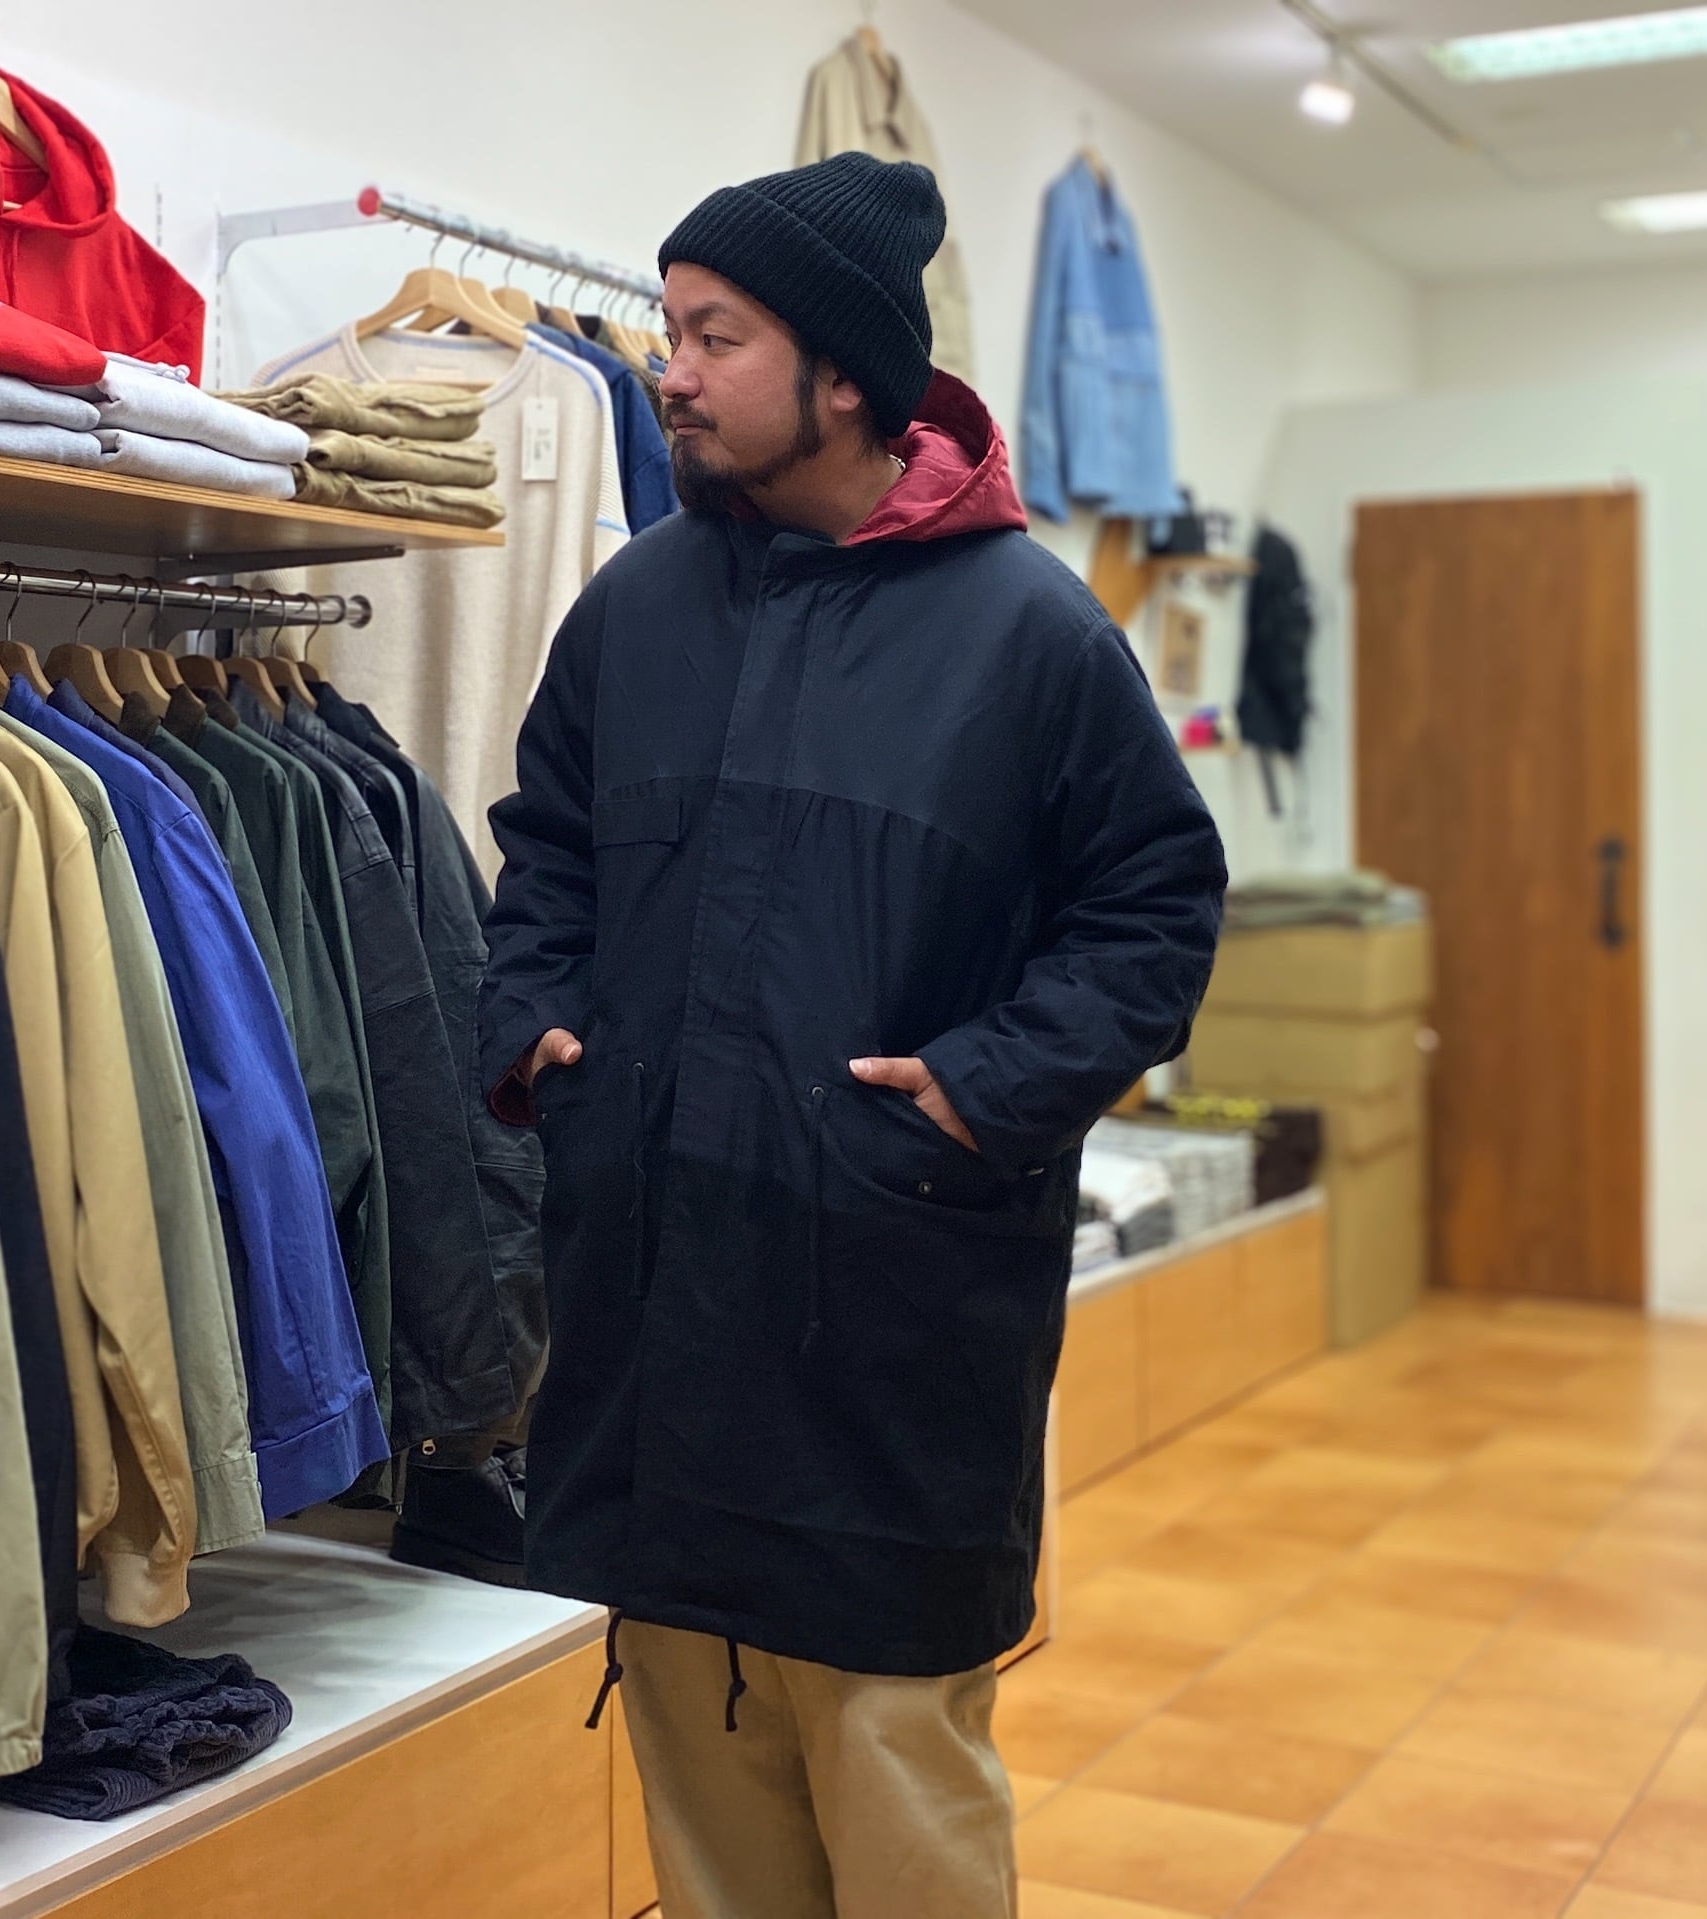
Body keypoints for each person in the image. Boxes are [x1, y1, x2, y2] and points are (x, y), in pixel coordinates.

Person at [476, 151, 1227, 1919]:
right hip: (652, 1312)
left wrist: (979, 1091)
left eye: (713, 336)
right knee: (700, 1774)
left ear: (843, 376)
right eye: (668, 329)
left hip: (888, 1320)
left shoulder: (1032, 634)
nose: (668, 371)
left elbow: (1153, 915)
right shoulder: (637, 606)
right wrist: (543, 1031)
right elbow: (547, 853)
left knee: (896, 1777)